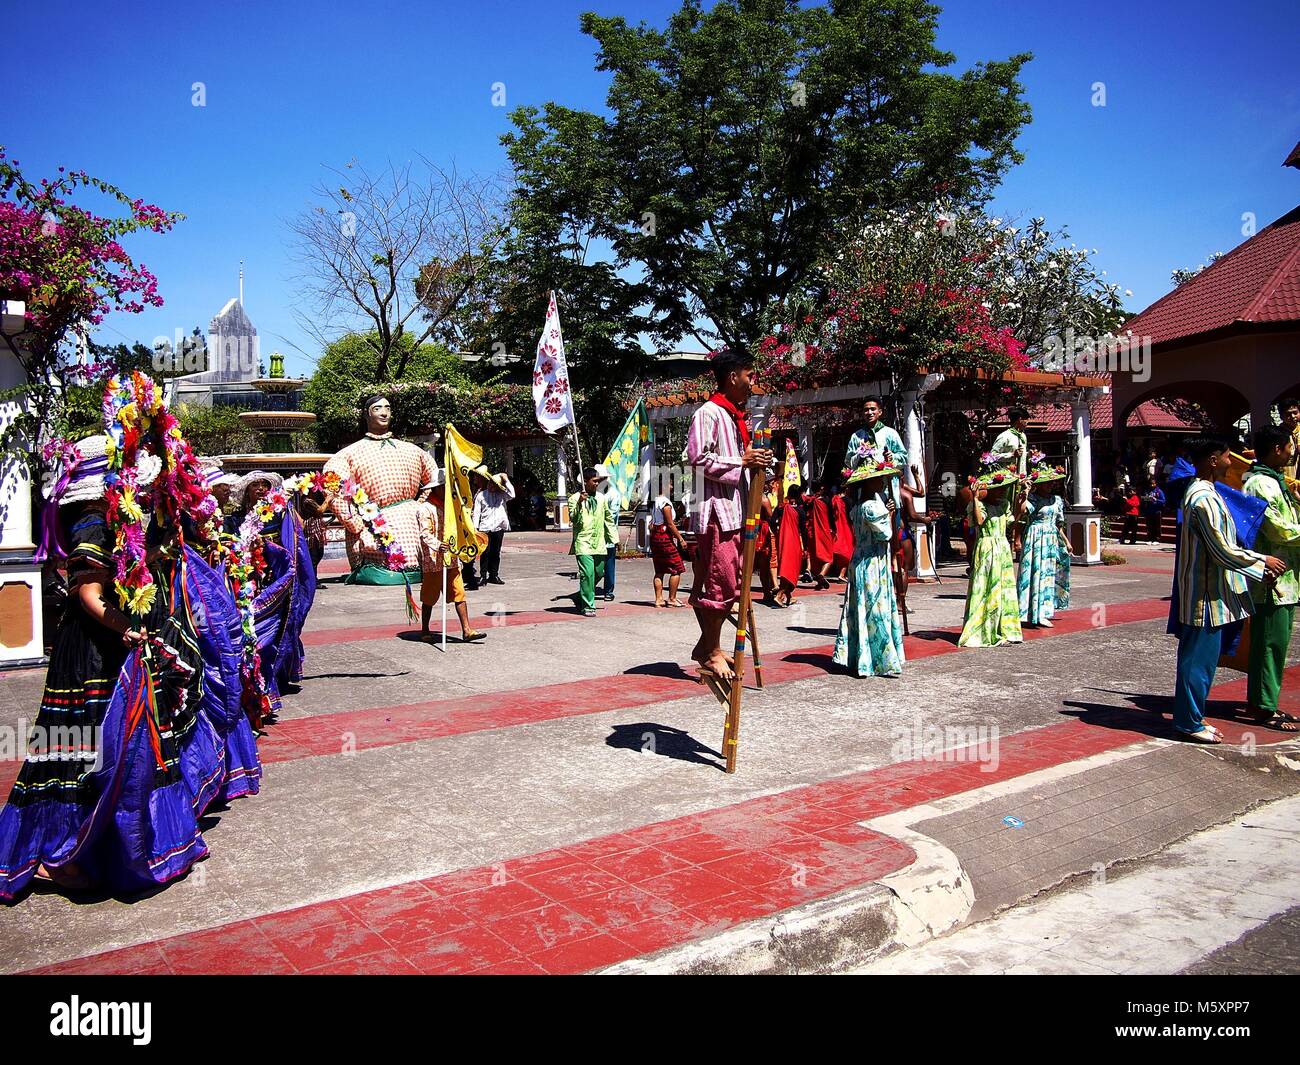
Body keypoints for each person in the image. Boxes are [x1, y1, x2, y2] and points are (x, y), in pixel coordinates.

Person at [1170, 437, 1286, 743]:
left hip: (1211, 594)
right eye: (1225, 456)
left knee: (1202, 662)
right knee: (1197, 662)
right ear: (1211, 459)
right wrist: (1263, 563)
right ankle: (1188, 722)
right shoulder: (1203, 499)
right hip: (1204, 597)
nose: (1229, 462)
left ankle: (1191, 716)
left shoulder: (1207, 493)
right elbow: (1222, 550)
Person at [684, 351, 773, 683]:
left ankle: (708, 647)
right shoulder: (708, 413)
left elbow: (741, 461)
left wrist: (756, 463)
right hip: (716, 512)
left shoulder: (735, 415)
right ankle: (711, 651)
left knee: (724, 583)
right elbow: (697, 458)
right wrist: (741, 461)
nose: (753, 383)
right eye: (750, 376)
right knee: (719, 584)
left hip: (736, 511)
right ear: (733, 375)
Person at [324, 393, 436, 585]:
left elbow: (435, 480)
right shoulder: (349, 454)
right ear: (366, 415)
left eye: (388, 408)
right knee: (385, 567)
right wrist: (354, 522)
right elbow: (333, 485)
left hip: (413, 520)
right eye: (377, 409)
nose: (384, 413)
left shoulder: (413, 450)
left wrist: (422, 507)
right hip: (375, 522)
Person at [1241, 427, 1300, 732]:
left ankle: (1262, 699)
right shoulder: (1260, 483)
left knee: (1274, 642)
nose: (1294, 450)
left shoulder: (1274, 480)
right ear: (1277, 448)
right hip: (1272, 579)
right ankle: (1264, 707)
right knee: (1269, 643)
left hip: (1286, 577)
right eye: (1291, 445)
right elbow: (1277, 528)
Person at [832, 453, 905, 678]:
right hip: (873, 562)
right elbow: (886, 534)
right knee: (876, 608)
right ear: (868, 481)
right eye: (878, 478)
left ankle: (860, 657)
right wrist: (891, 513)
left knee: (861, 608)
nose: (882, 481)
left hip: (862, 560)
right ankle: (880, 659)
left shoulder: (858, 506)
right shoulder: (872, 506)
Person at [958, 463, 1027, 648]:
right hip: (987, 546)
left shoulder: (1004, 505)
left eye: (1005, 489)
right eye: (1000, 489)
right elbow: (979, 521)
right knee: (987, 587)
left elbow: (1014, 521)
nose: (1004, 492)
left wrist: (1021, 501)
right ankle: (985, 630)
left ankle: (1005, 629)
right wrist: (975, 498)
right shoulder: (979, 504)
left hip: (1002, 547)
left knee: (1004, 588)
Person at [415, 474, 485, 643]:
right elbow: (424, 534)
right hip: (433, 560)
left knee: (459, 592)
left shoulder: (451, 507)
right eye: (445, 487)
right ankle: (425, 629)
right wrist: (438, 545)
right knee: (429, 597)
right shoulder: (425, 508)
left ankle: (467, 630)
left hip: (452, 558)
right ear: (437, 488)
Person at [1017, 463, 1071, 628]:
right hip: (1035, 537)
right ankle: (1027, 611)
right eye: (1047, 482)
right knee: (1034, 571)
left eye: (1052, 482)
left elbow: (1058, 524)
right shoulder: (1033, 499)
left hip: (1050, 538)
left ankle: (1043, 611)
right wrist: (1024, 494)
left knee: (1047, 574)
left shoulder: (1057, 500)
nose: (1050, 485)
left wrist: (1066, 541)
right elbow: (1022, 511)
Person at [569, 466, 618, 616]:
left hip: (599, 543)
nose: (597, 484)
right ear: (585, 482)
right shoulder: (574, 499)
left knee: (598, 573)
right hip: (583, 542)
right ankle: (589, 606)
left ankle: (579, 597)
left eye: (598, 481)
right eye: (594, 481)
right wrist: (579, 503)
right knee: (587, 574)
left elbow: (608, 519)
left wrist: (614, 538)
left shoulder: (601, 498)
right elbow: (574, 519)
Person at [844, 397, 907, 510]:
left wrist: (892, 457)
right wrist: (860, 454)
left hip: (888, 489)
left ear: (880, 412)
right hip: (864, 490)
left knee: (891, 523)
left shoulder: (890, 434)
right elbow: (848, 462)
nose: (869, 412)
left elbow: (903, 458)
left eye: (873, 409)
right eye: (866, 410)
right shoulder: (856, 437)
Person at [471, 469, 515, 586]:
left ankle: (494, 575)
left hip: (498, 527)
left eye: (494, 484)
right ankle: (483, 576)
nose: (491, 486)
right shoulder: (481, 495)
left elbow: (512, 494)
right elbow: (476, 513)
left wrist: (505, 479)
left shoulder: (501, 495)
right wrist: (475, 529)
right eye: (490, 483)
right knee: (485, 553)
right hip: (485, 527)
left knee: (496, 552)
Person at [649, 481, 688, 608]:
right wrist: (680, 538)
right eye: (670, 484)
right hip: (664, 537)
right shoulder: (665, 503)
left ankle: (658, 599)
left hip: (655, 537)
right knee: (677, 567)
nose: (671, 487)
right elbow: (670, 524)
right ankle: (672, 598)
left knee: (659, 569)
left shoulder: (654, 501)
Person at [774, 482, 805, 607]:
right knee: (792, 569)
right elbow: (803, 530)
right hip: (794, 542)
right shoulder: (800, 511)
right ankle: (779, 595)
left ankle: (788, 597)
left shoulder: (781, 508)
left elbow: (772, 521)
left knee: (786, 567)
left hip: (782, 539)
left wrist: (778, 530)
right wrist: (806, 546)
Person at [592, 463, 620, 602]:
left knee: (609, 564)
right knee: (595, 565)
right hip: (593, 535)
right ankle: (590, 588)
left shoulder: (613, 494)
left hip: (607, 535)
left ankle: (608, 590)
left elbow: (612, 515)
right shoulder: (592, 494)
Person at [804, 478, 834, 589]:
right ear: (822, 488)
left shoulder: (810, 501)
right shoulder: (826, 501)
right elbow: (831, 517)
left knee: (815, 557)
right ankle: (822, 574)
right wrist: (834, 529)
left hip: (812, 532)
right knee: (828, 557)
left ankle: (819, 581)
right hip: (824, 531)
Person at [990, 408, 1030, 477]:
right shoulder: (1004, 436)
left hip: (1022, 477)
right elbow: (992, 456)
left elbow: (1022, 455)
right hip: (1009, 478)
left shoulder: (1023, 436)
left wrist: (1029, 454)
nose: (1028, 422)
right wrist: (1011, 455)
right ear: (1020, 420)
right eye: (1026, 419)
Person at [829, 479, 855, 583]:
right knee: (848, 550)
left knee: (841, 551)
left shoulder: (833, 500)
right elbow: (851, 516)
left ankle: (841, 572)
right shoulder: (847, 500)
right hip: (846, 526)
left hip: (837, 526)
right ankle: (842, 574)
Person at [1141, 476, 1166, 544]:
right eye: (1150, 483)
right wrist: (1147, 498)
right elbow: (1142, 499)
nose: (1152, 485)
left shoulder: (1159, 491)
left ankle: (1156, 539)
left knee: (1157, 526)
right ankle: (1149, 539)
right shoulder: (1147, 491)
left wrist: (1156, 500)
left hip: (1157, 511)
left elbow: (1163, 501)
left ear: (1156, 484)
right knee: (1149, 526)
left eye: (1153, 483)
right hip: (1149, 511)